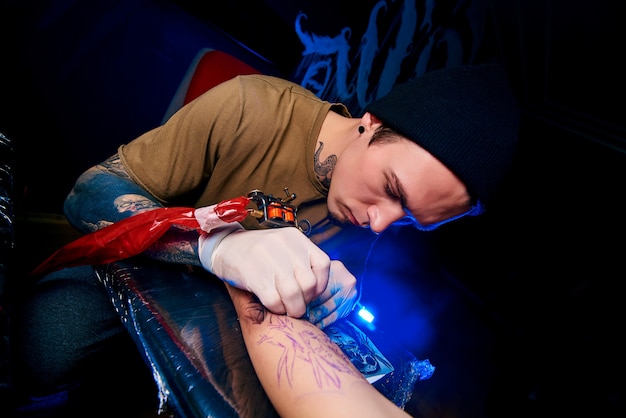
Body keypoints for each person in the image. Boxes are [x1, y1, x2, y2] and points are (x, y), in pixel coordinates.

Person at [9, 62, 520, 416]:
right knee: (45, 347)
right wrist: (217, 244)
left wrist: (333, 294)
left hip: (213, 326)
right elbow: (88, 195)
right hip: (127, 274)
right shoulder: (249, 109)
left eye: (411, 219)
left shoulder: (367, 212)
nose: (382, 224)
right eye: (391, 190)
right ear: (372, 124)